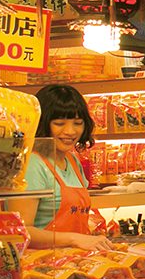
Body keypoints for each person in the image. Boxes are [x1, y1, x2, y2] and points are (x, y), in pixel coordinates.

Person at [12, 85, 113, 250]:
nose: (70, 131)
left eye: (78, 123)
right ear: (42, 123)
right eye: (59, 123)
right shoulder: (31, 164)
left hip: (73, 262)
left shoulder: (73, 160)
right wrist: (74, 239)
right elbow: (22, 231)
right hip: (41, 265)